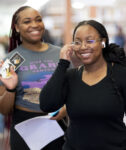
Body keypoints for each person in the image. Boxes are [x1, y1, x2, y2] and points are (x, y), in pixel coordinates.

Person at [40, 20, 126, 150]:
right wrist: (63, 62)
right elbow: (47, 104)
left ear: (103, 42)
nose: (83, 46)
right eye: (77, 42)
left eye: (90, 41)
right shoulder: (70, 76)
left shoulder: (120, 75)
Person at [0, 6, 66, 150]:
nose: (34, 25)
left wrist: (66, 108)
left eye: (38, 20)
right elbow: (3, 110)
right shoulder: (9, 61)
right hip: (25, 127)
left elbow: (75, 90)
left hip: (57, 124)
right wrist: (11, 89)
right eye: (27, 21)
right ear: (17, 27)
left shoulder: (60, 54)